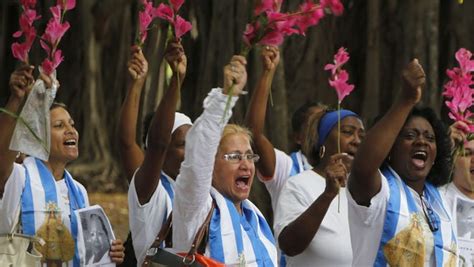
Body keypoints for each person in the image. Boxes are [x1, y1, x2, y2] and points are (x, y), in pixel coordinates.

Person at [0, 66, 125, 266]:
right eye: (59, 126)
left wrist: (108, 254)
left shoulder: (79, 192)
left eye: (72, 124)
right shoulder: (20, 177)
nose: (71, 131)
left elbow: (88, 257)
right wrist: (16, 100)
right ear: (38, 136)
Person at [348, 59, 457, 266]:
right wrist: (405, 100)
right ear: (390, 147)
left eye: (430, 138)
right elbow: (362, 167)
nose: (421, 142)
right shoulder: (379, 192)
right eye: (410, 135)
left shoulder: (440, 200)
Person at [172, 55, 277, 265]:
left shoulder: (254, 217)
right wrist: (226, 97)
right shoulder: (196, 208)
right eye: (235, 157)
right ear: (210, 165)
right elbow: (199, 152)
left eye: (249, 156)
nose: (246, 164)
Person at [127, 39, 192, 266]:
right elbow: (154, 144)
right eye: (183, 144)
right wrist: (176, 80)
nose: (191, 153)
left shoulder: (200, 192)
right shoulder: (150, 189)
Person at [273, 107, 364, 266]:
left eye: (362, 136)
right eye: (348, 132)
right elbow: (289, 246)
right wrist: (327, 195)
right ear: (323, 141)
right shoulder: (298, 185)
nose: (357, 140)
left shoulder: (364, 190)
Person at [246, 46, 326, 212]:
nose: (321, 129)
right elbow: (252, 133)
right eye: (313, 124)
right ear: (298, 138)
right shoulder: (287, 167)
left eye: (326, 123)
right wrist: (268, 73)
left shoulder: (347, 170)